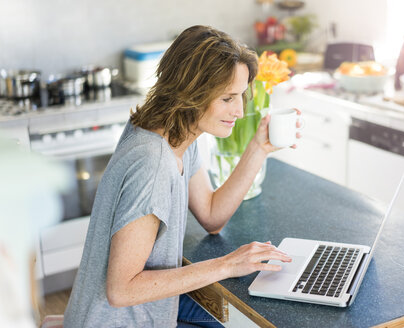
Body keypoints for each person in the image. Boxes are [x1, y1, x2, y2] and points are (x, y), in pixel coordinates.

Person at [64, 25, 299, 328]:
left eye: (240, 95)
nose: (239, 111)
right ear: (191, 94)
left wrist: (258, 148)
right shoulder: (154, 165)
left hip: (141, 312)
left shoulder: (174, 134)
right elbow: (121, 290)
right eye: (227, 98)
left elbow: (212, 216)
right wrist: (228, 264)